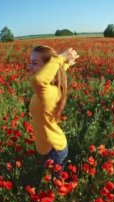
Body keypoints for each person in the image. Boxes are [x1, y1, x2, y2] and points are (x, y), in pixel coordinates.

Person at [27, 45, 79, 176]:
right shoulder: (52, 86)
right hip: (48, 146)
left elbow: (38, 81)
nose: (29, 67)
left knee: (54, 185)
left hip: (54, 149)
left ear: (47, 66)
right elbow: (56, 72)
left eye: (34, 63)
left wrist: (61, 58)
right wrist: (65, 63)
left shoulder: (46, 91)